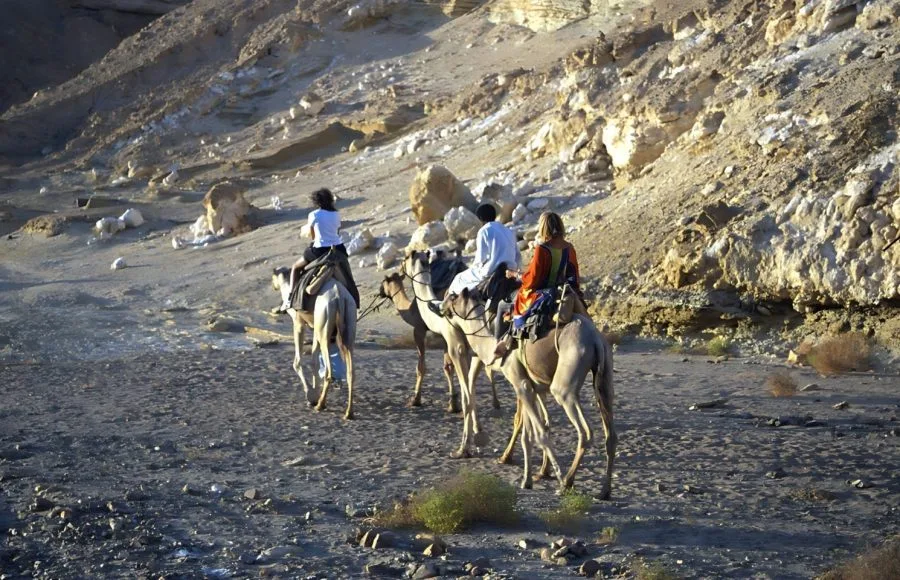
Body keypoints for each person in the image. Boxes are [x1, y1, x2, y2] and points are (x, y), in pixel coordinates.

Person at [494, 211, 583, 358]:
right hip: (562, 291)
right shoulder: (569, 248)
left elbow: (532, 279)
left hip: (541, 293)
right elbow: (573, 276)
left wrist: (515, 274)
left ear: (543, 228)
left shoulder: (542, 249)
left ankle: (503, 344)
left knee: (504, 305)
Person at [279, 188, 360, 312]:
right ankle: (354, 298)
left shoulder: (314, 215)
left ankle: (290, 298)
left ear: (317, 202)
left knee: (295, 267)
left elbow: (313, 236)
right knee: (347, 273)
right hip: (338, 249)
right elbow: (336, 232)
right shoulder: (336, 214)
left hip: (319, 250)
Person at [444, 203, 520, 299]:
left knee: (458, 278)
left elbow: (480, 259)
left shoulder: (484, 231)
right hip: (511, 269)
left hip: (492, 270)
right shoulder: (508, 230)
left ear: (479, 218)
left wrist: (474, 268)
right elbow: (517, 255)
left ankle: (444, 306)